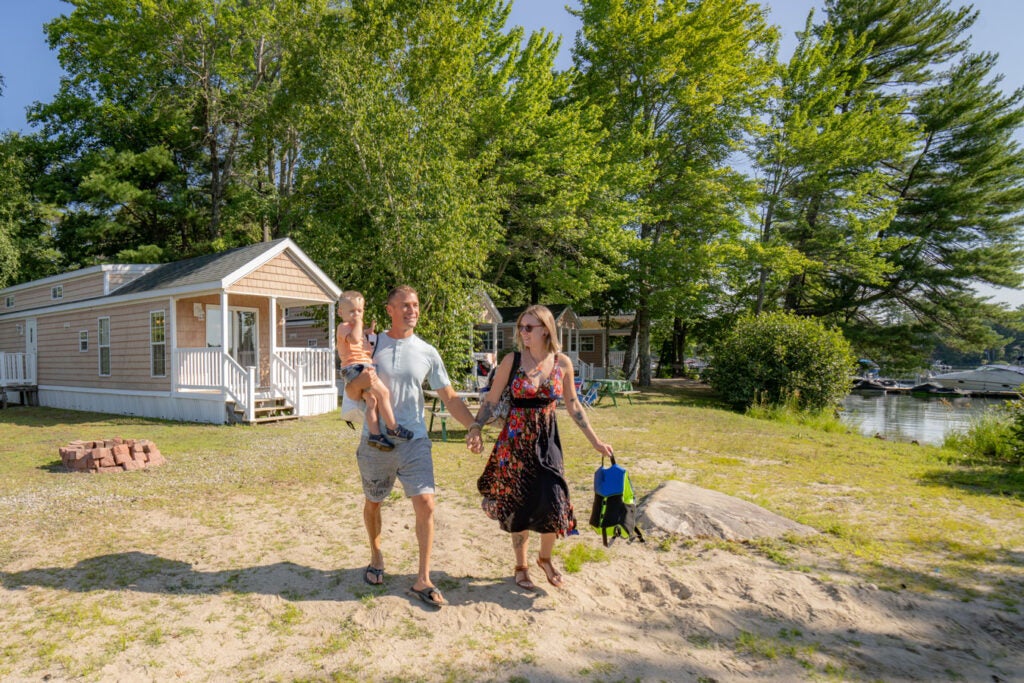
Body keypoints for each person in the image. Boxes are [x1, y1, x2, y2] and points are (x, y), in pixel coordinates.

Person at [347, 285, 480, 608]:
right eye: (404, 305)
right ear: (390, 309)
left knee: (426, 503)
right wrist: (362, 382)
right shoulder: (371, 344)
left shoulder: (427, 351)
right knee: (373, 503)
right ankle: (376, 556)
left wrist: (473, 425)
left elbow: (448, 396)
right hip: (376, 441)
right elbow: (351, 392)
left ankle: (423, 578)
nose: (412, 310)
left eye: (416, 305)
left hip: (415, 439)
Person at [465, 305, 613, 590]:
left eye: (529, 327)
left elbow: (573, 405)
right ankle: (520, 566)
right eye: (521, 327)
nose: (523, 332)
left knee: (555, 498)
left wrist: (595, 441)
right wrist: (475, 427)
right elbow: (491, 400)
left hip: (548, 440)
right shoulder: (513, 360)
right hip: (515, 440)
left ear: (546, 329)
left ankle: (544, 558)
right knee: (518, 502)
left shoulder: (562, 363)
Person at [336, 291, 414, 450]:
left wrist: (368, 332)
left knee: (372, 401)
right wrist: (359, 324)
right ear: (340, 313)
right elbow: (355, 339)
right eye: (352, 311)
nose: (356, 315)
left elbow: (360, 337)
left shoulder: (353, 328)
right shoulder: (343, 327)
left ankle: (375, 435)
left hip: (358, 368)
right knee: (384, 393)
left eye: (360, 311)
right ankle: (394, 428)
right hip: (356, 368)